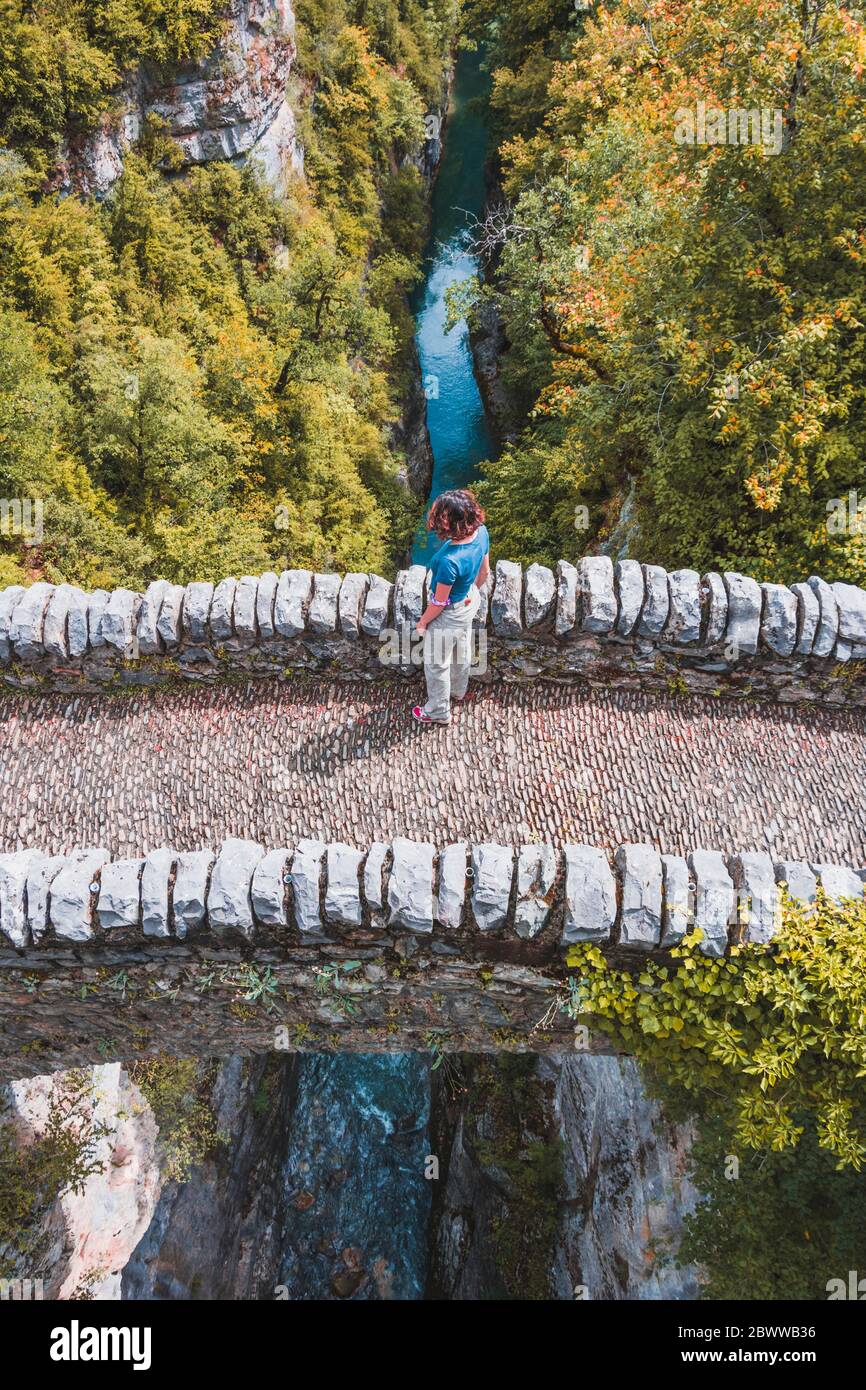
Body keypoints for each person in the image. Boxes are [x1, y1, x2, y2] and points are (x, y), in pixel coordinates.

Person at [411, 488, 490, 725]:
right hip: (469, 600)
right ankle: (458, 690)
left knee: (436, 664)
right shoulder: (481, 533)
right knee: (461, 646)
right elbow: (484, 571)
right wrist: (468, 591)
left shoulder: (449, 561)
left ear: (451, 523)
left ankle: (438, 712)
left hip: (450, 612)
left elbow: (439, 602)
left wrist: (423, 622)